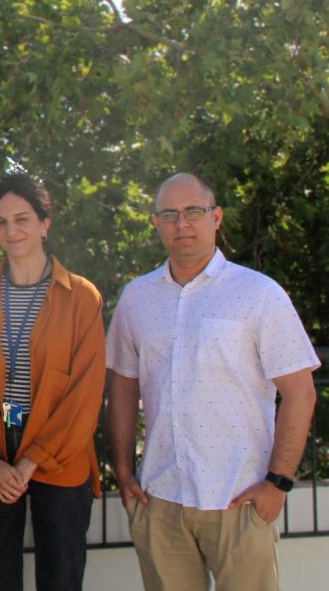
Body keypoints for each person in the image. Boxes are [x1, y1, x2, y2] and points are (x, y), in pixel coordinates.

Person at [107, 173, 319, 591]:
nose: (182, 223)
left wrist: (278, 483)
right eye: (170, 214)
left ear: (216, 217)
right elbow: (124, 387)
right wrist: (124, 472)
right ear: (156, 222)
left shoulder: (259, 293)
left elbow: (301, 392)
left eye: (193, 212)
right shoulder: (137, 297)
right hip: (160, 497)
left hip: (239, 498)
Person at [0, 174, 106, 591]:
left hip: (60, 459)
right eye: (1, 222)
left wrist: (30, 463)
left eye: (22, 219)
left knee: (62, 581)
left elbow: (84, 398)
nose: (11, 231)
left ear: (45, 224)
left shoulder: (82, 297)